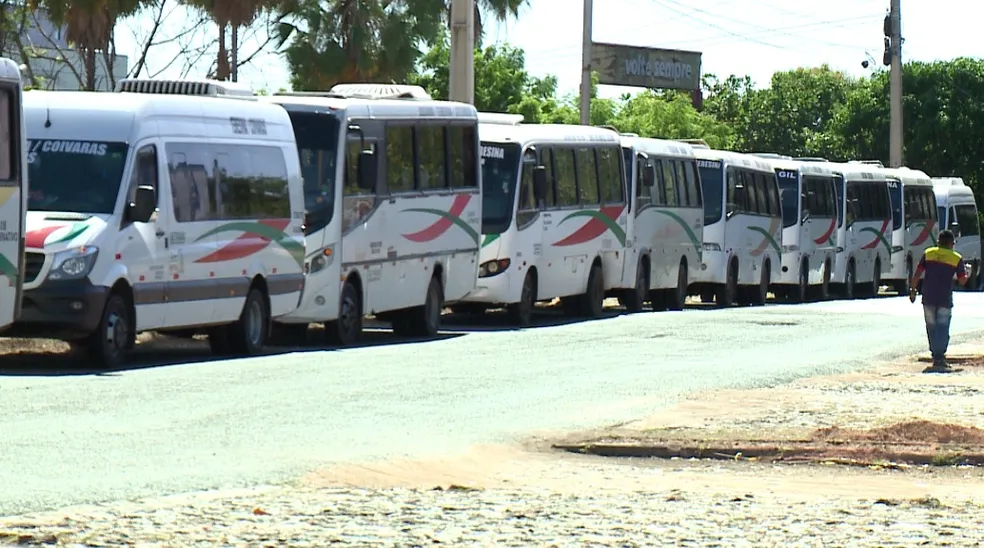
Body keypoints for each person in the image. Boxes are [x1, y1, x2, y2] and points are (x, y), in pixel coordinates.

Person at [909, 230, 970, 372]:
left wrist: (912, 290)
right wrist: (968, 273)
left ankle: (935, 355)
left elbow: (917, 273)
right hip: (944, 299)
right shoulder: (956, 258)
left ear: (938, 242)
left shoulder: (928, 253)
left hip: (928, 297)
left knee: (931, 327)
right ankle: (939, 357)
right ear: (950, 243)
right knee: (942, 327)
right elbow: (962, 280)